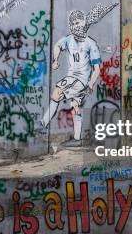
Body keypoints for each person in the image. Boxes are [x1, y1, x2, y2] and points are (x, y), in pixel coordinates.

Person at [41, 10, 102, 147]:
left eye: (78, 22)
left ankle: (42, 125)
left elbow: (97, 68)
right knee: (76, 107)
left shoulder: (90, 44)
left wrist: (90, 84)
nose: (76, 25)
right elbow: (57, 46)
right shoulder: (68, 39)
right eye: (73, 23)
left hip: (80, 80)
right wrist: (55, 59)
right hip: (72, 78)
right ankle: (77, 139)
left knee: (57, 92)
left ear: (84, 22)